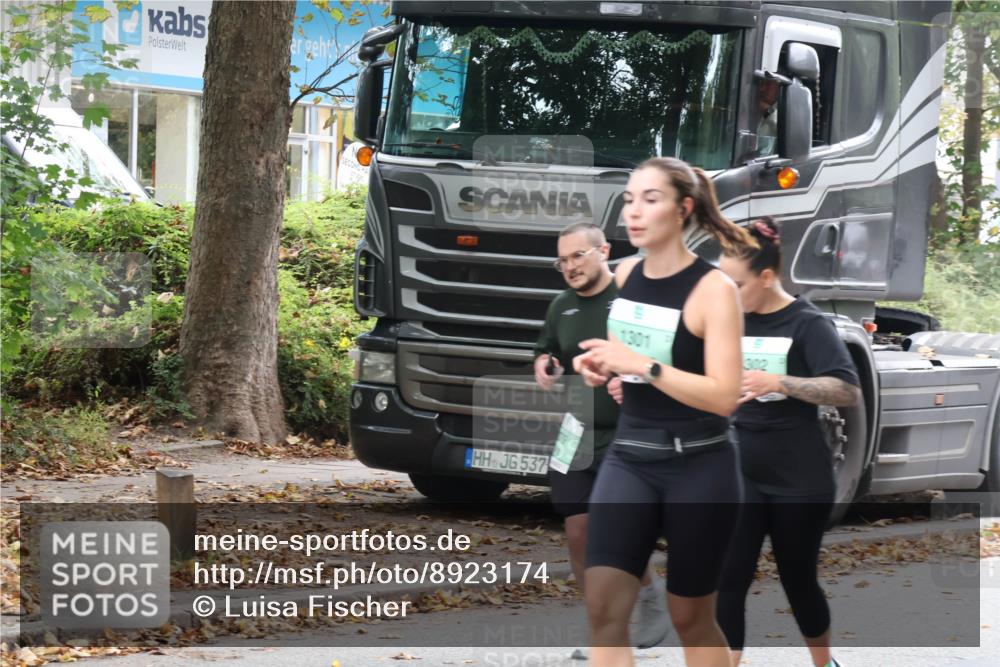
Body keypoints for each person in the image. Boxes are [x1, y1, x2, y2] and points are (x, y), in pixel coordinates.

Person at [573, 157, 754, 667]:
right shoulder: (624, 273)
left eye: (650, 199)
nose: (633, 211)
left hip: (701, 465)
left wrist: (643, 367)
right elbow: (626, 361)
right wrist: (603, 368)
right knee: (603, 607)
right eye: (630, 199)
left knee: (690, 617)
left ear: (683, 209)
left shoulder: (714, 290)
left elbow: (724, 396)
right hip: (630, 457)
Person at [716, 217, 861, 667]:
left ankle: (824, 663)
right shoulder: (728, 320)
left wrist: (779, 382)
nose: (727, 294)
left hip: (798, 477)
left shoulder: (807, 323)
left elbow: (847, 390)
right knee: (729, 579)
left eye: (736, 284)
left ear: (766, 276)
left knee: (797, 580)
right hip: (741, 470)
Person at [534, 222, 671, 655]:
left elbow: (663, 357)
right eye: (562, 260)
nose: (570, 267)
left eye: (578, 255)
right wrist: (545, 363)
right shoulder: (561, 306)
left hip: (628, 431)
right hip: (575, 433)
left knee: (617, 531)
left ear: (604, 251)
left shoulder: (632, 299)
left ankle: (649, 595)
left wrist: (635, 382)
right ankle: (602, 630)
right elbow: (548, 348)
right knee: (578, 533)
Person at [756, 77, 780, 156]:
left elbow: (779, 125)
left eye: (768, 84)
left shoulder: (785, 108)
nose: (762, 89)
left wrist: (767, 110)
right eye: (761, 84)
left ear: (779, 88)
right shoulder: (758, 108)